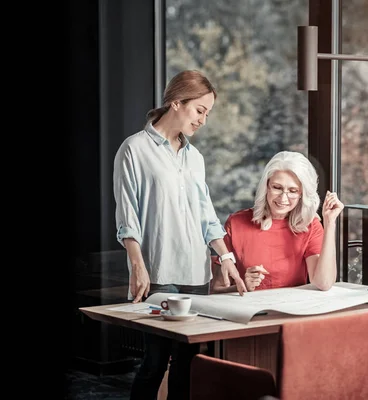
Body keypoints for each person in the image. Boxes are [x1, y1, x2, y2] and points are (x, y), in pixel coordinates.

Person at [113, 69, 246, 400]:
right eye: (199, 110)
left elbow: (205, 215)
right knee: (155, 363)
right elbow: (127, 215)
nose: (203, 120)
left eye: (207, 113)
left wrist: (225, 257)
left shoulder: (195, 158)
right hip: (159, 273)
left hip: (196, 274)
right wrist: (137, 265)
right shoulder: (134, 150)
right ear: (176, 102)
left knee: (188, 363)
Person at [211, 151, 344, 293]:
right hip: (250, 309)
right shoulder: (236, 223)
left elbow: (323, 283)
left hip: (291, 309)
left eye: (293, 190)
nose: (283, 198)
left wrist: (330, 223)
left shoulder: (310, 226)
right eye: (277, 188)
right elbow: (217, 289)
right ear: (266, 186)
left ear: (302, 194)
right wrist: (243, 286)